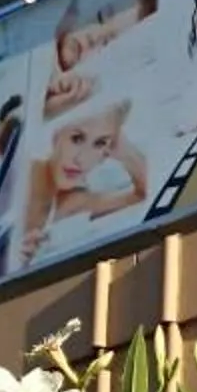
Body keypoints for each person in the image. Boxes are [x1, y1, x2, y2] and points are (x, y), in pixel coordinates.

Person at [19, 98, 150, 266]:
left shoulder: (71, 201)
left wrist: (125, 151)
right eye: (77, 139)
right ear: (56, 135)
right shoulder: (23, 175)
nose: (82, 159)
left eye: (99, 143)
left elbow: (143, 193)